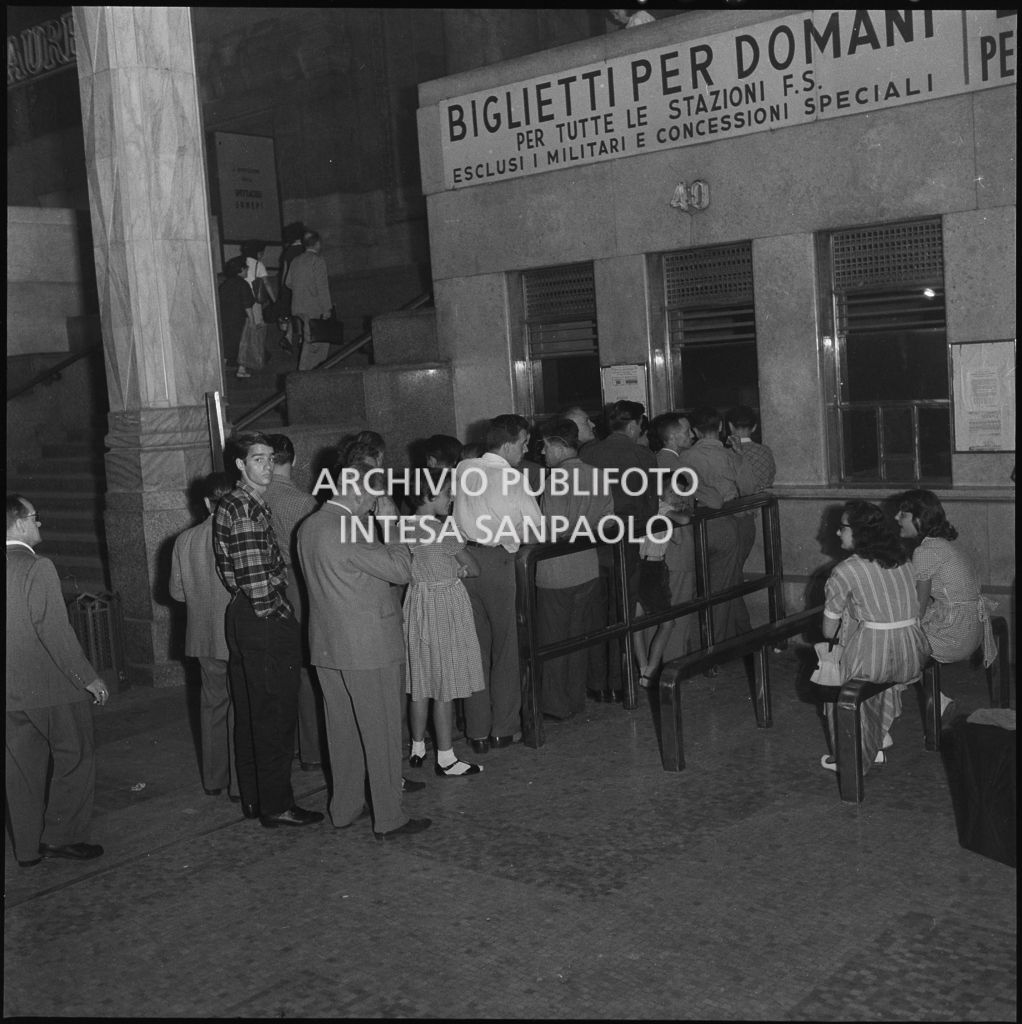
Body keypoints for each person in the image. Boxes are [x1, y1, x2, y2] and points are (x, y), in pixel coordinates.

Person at [297, 460, 431, 838]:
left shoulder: (309, 526)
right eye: (373, 496)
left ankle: (345, 807)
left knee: (341, 731)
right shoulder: (349, 528)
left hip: (328, 645)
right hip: (368, 647)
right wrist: (391, 526)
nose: (375, 504)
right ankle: (390, 817)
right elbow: (402, 570)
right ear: (356, 490)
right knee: (383, 731)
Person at [212, 432, 323, 829]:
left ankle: (255, 798)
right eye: (257, 459)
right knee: (274, 715)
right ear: (240, 465)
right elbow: (258, 582)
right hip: (262, 618)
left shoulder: (241, 503)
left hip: (244, 615)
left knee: (252, 712)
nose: (266, 466)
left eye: (269, 459)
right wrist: (282, 616)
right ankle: (277, 806)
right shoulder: (244, 508)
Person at [6, 494, 109, 866]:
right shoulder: (38, 567)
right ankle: (63, 837)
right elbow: (55, 631)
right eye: (35, 517)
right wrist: (89, 677)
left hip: (11, 693)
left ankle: (27, 850)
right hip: (52, 687)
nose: (39, 524)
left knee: (20, 771)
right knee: (75, 756)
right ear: (17, 523)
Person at [454, 413, 542, 751]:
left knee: (475, 648)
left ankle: (477, 730)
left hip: (463, 561)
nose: (525, 449)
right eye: (522, 443)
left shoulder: (464, 469)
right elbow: (536, 526)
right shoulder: (512, 479)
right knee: (506, 647)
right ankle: (504, 728)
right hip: (498, 563)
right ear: (507, 445)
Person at [818, 501, 927, 773]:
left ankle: (851, 756)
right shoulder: (902, 560)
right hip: (913, 652)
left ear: (858, 532)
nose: (836, 533)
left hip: (877, 658)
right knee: (865, 648)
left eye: (842, 528)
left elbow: (828, 631)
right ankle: (879, 734)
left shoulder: (846, 570)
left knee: (833, 674)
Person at [403, 474, 485, 776]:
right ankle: (446, 757)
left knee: (420, 680)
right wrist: (459, 569)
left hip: (416, 603)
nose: (451, 499)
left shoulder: (403, 526)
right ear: (429, 494)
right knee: (444, 683)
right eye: (447, 493)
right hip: (444, 603)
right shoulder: (442, 529)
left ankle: (417, 747)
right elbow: (474, 568)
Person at [580, 399, 658, 700]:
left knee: (597, 613)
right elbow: (650, 506)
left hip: (594, 541)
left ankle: (598, 684)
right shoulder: (642, 455)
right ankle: (620, 681)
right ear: (634, 424)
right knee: (624, 611)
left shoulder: (589, 453)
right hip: (627, 540)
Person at [894, 489, 998, 713]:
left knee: (897, 644)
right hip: (973, 626)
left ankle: (927, 704)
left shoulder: (925, 551)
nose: (896, 519)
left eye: (903, 515)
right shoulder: (943, 544)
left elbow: (919, 604)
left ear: (919, 519)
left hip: (956, 633)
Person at [535, 419, 613, 718]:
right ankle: (575, 700)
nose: (542, 453)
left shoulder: (557, 479)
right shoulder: (596, 474)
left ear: (557, 445)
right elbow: (607, 519)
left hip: (556, 570)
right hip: (587, 565)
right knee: (578, 637)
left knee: (553, 639)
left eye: (544, 447)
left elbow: (553, 528)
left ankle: (555, 706)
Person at [169, 472, 238, 799]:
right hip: (238, 637)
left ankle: (214, 779)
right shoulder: (241, 536)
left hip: (203, 638)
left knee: (212, 706)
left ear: (207, 502)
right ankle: (241, 784)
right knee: (242, 708)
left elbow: (177, 593)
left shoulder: (184, 540)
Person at [262, 434, 323, 773]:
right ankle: (312, 750)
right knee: (305, 667)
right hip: (296, 584)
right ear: (295, 458)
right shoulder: (303, 502)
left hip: (266, 585)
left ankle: (290, 746)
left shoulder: (254, 496)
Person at [676, 405, 758, 645]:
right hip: (734, 524)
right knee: (726, 587)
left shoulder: (685, 457)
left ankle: (738, 637)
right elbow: (749, 489)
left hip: (700, 525)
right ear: (721, 427)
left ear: (694, 431)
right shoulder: (731, 456)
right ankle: (723, 644)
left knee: (712, 587)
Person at [635, 412, 697, 684]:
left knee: (643, 619)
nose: (691, 435)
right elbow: (683, 512)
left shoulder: (669, 463)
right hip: (665, 558)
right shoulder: (668, 465)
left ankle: (646, 669)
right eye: (686, 430)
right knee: (670, 615)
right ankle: (663, 669)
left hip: (650, 559)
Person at [725, 404, 776, 575]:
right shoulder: (765, 451)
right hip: (757, 512)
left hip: (731, 515)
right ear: (754, 427)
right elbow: (769, 479)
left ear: (730, 426)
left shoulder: (727, 454)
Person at [284, 229, 333, 371]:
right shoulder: (317, 260)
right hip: (314, 306)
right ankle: (308, 373)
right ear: (317, 244)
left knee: (309, 338)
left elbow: (288, 283)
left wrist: (302, 290)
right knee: (317, 341)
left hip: (298, 305)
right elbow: (322, 286)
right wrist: (327, 308)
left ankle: (308, 371)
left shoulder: (296, 261)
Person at [217, 255, 256, 378]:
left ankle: (220, 372)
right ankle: (241, 370)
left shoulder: (224, 285)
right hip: (238, 320)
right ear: (240, 270)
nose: (247, 271)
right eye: (245, 269)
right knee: (242, 344)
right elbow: (247, 305)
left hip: (224, 318)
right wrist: (252, 321)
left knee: (227, 345)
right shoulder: (243, 284)